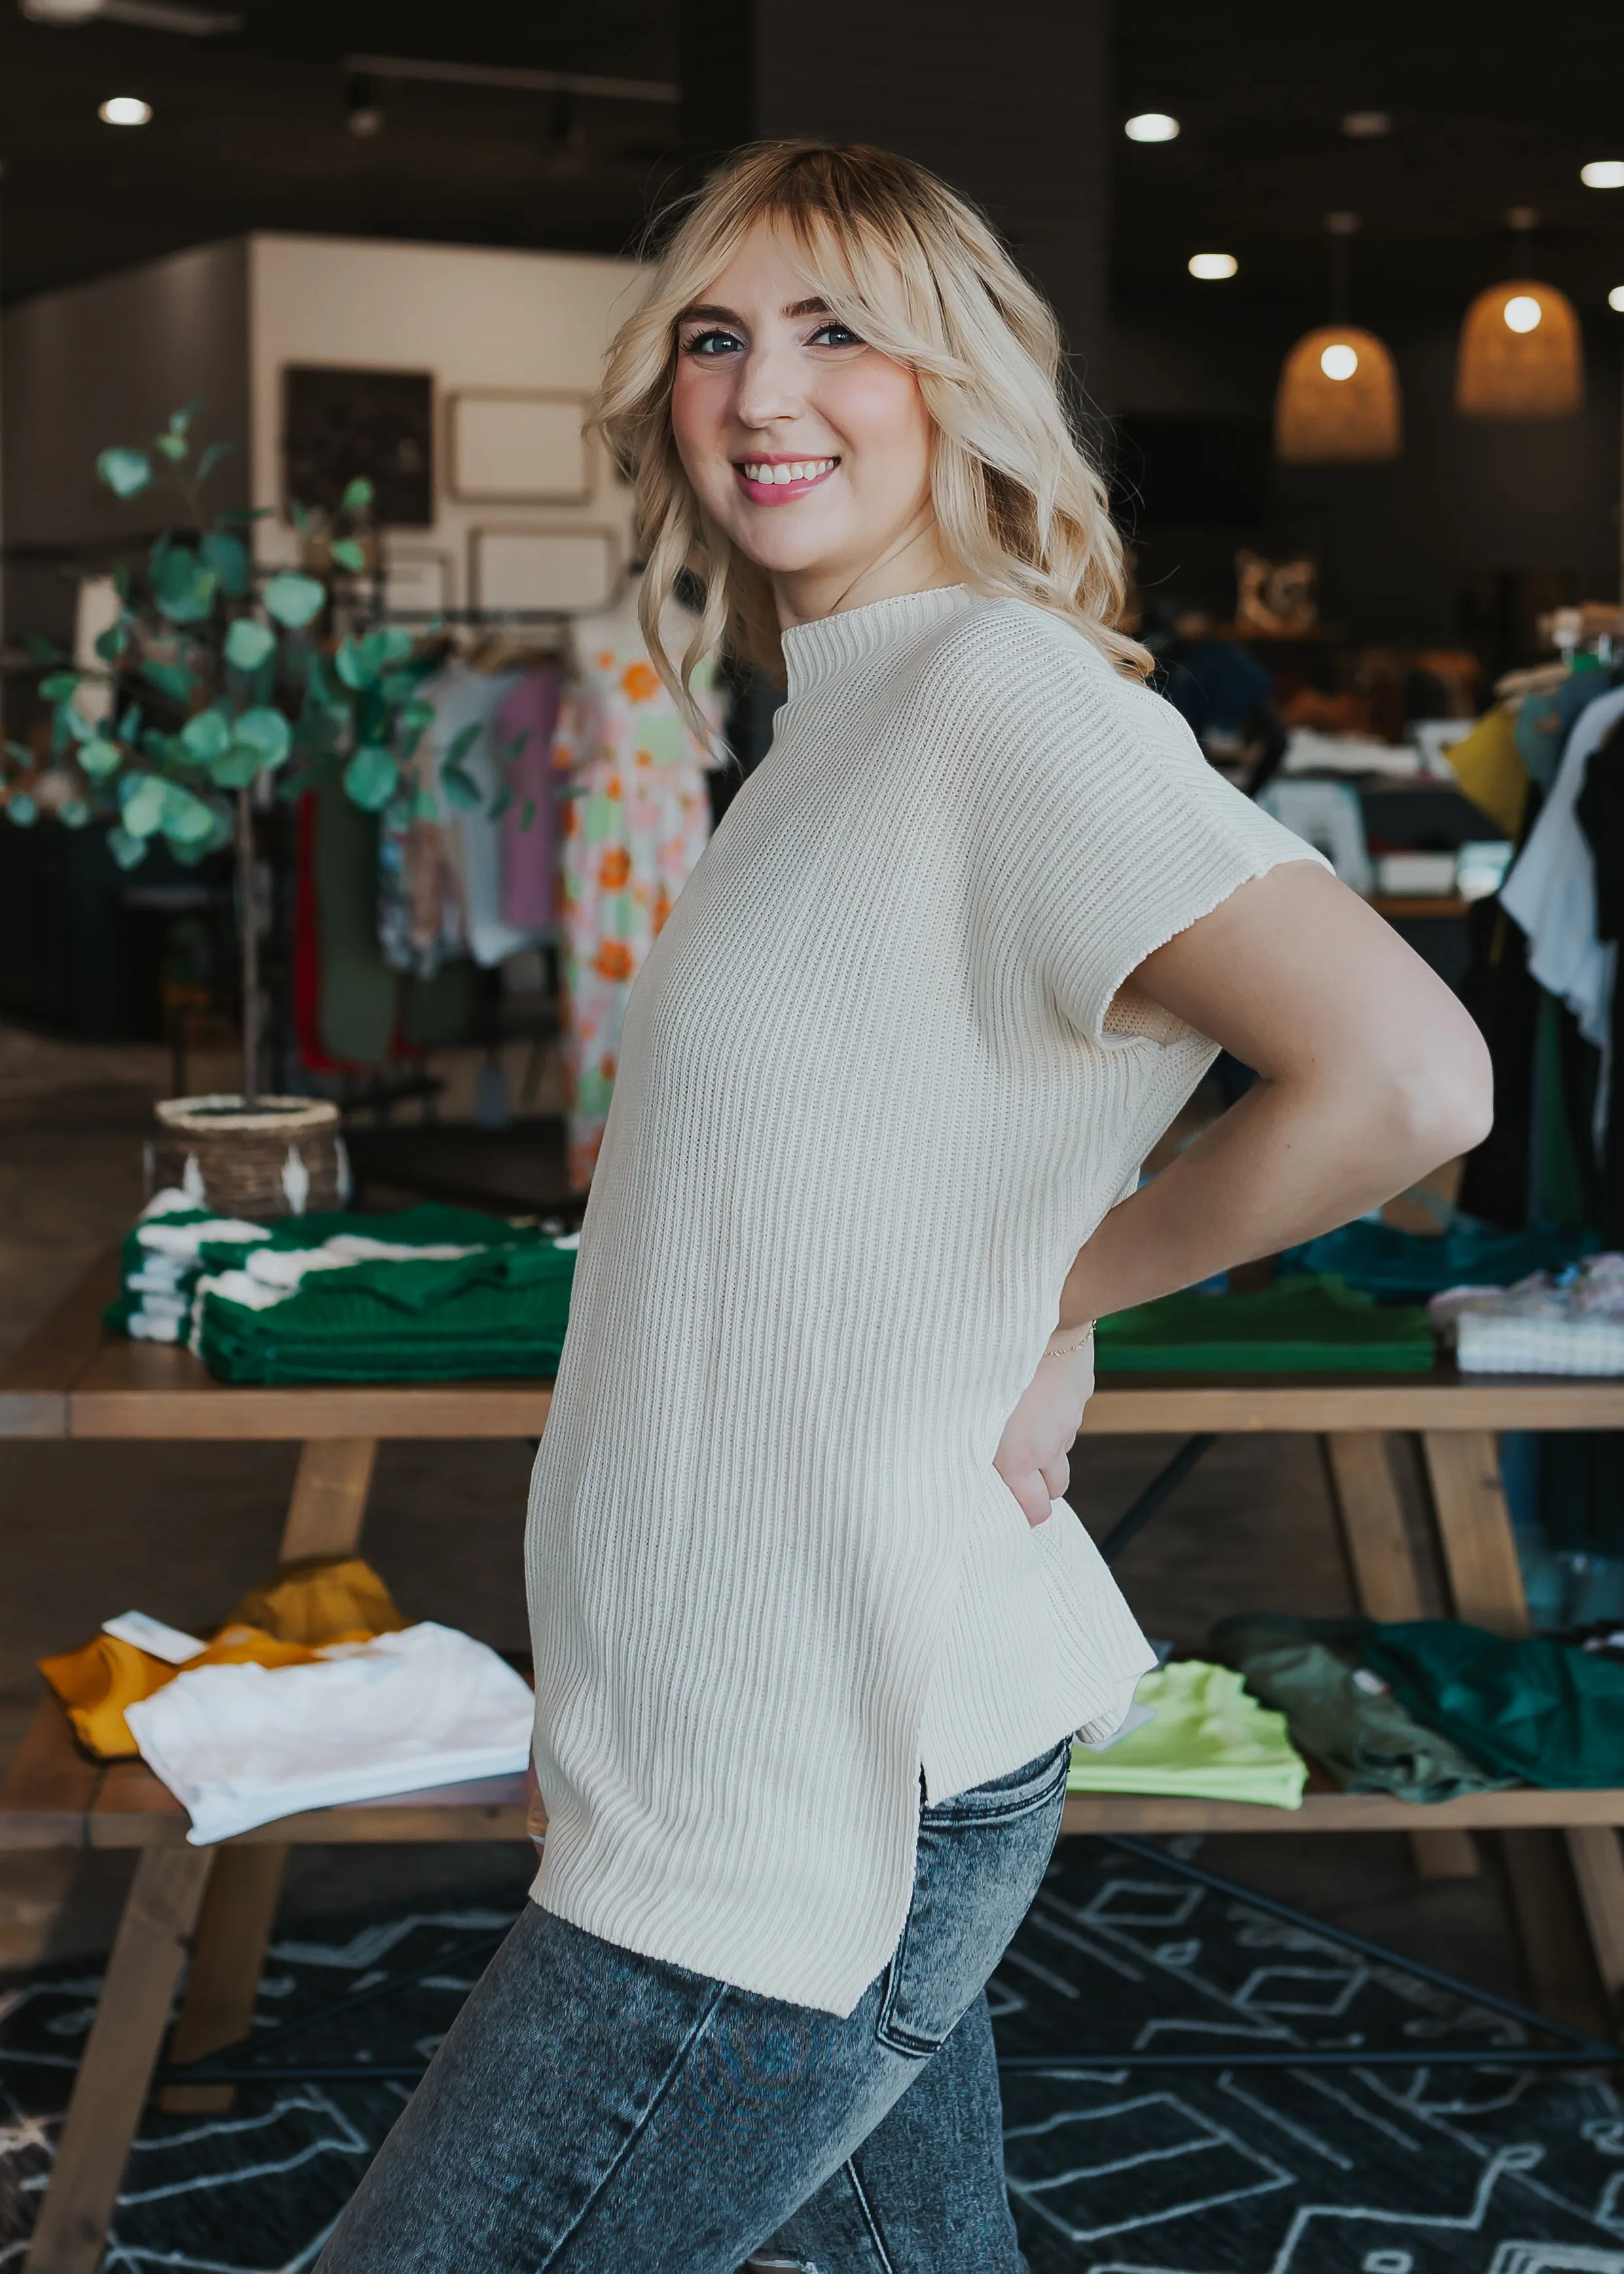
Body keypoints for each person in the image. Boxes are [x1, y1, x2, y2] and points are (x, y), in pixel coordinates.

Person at [317, 141, 1492, 2274]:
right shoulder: (839, 725)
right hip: (775, 1730)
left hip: (816, 1777)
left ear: (960, 380)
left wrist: (1062, 1292)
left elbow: (1408, 1077)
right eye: (715, 337)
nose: (765, 391)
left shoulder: (998, 704)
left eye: (837, 330)